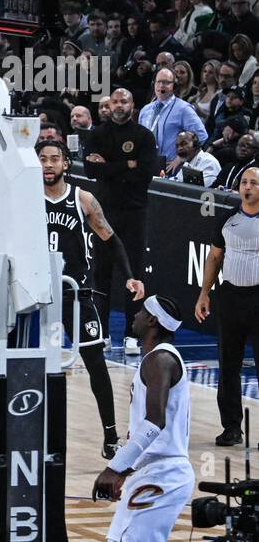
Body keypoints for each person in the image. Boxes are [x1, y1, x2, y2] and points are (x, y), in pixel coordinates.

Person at [92, 296, 194, 542]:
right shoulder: (154, 359)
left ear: (153, 322)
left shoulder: (160, 359)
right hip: (150, 470)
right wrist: (130, 468)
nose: (134, 316)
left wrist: (117, 467)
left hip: (165, 473)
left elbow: (155, 423)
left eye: (141, 312)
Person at [38, 142, 146, 458]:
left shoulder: (82, 199)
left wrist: (129, 274)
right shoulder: (26, 198)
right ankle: (30, 430)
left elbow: (112, 240)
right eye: (42, 159)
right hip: (39, 296)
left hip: (76, 294)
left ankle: (110, 434)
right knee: (33, 366)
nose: (48, 164)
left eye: (54, 159)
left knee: (96, 363)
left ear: (66, 164)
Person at [83, 88, 158, 354]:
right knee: (101, 273)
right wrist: (127, 165)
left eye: (124, 100)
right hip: (102, 212)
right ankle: (102, 333)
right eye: (114, 101)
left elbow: (146, 173)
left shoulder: (144, 136)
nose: (118, 105)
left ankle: (131, 334)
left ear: (132, 104)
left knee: (133, 273)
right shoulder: (98, 134)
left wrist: (110, 167)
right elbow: (91, 169)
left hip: (134, 212)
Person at [193, 166, 259, 446]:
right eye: (244, 182)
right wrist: (204, 293)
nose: (247, 187)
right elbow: (214, 258)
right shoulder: (227, 218)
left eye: (254, 183)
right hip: (231, 296)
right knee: (228, 365)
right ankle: (231, 427)